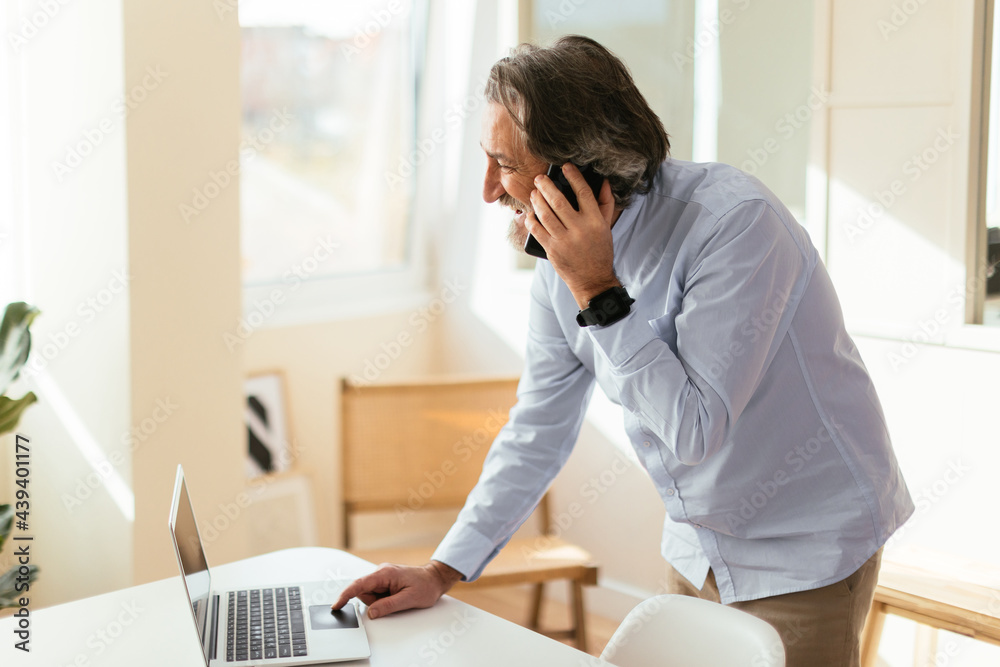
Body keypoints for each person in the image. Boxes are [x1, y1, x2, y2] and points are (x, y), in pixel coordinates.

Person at [333, 35, 913, 666]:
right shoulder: (556, 270)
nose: (489, 190)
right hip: (697, 545)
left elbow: (695, 430)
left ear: (575, 172)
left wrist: (598, 290)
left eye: (504, 164)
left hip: (804, 550)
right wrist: (442, 570)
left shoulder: (736, 226)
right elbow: (538, 429)